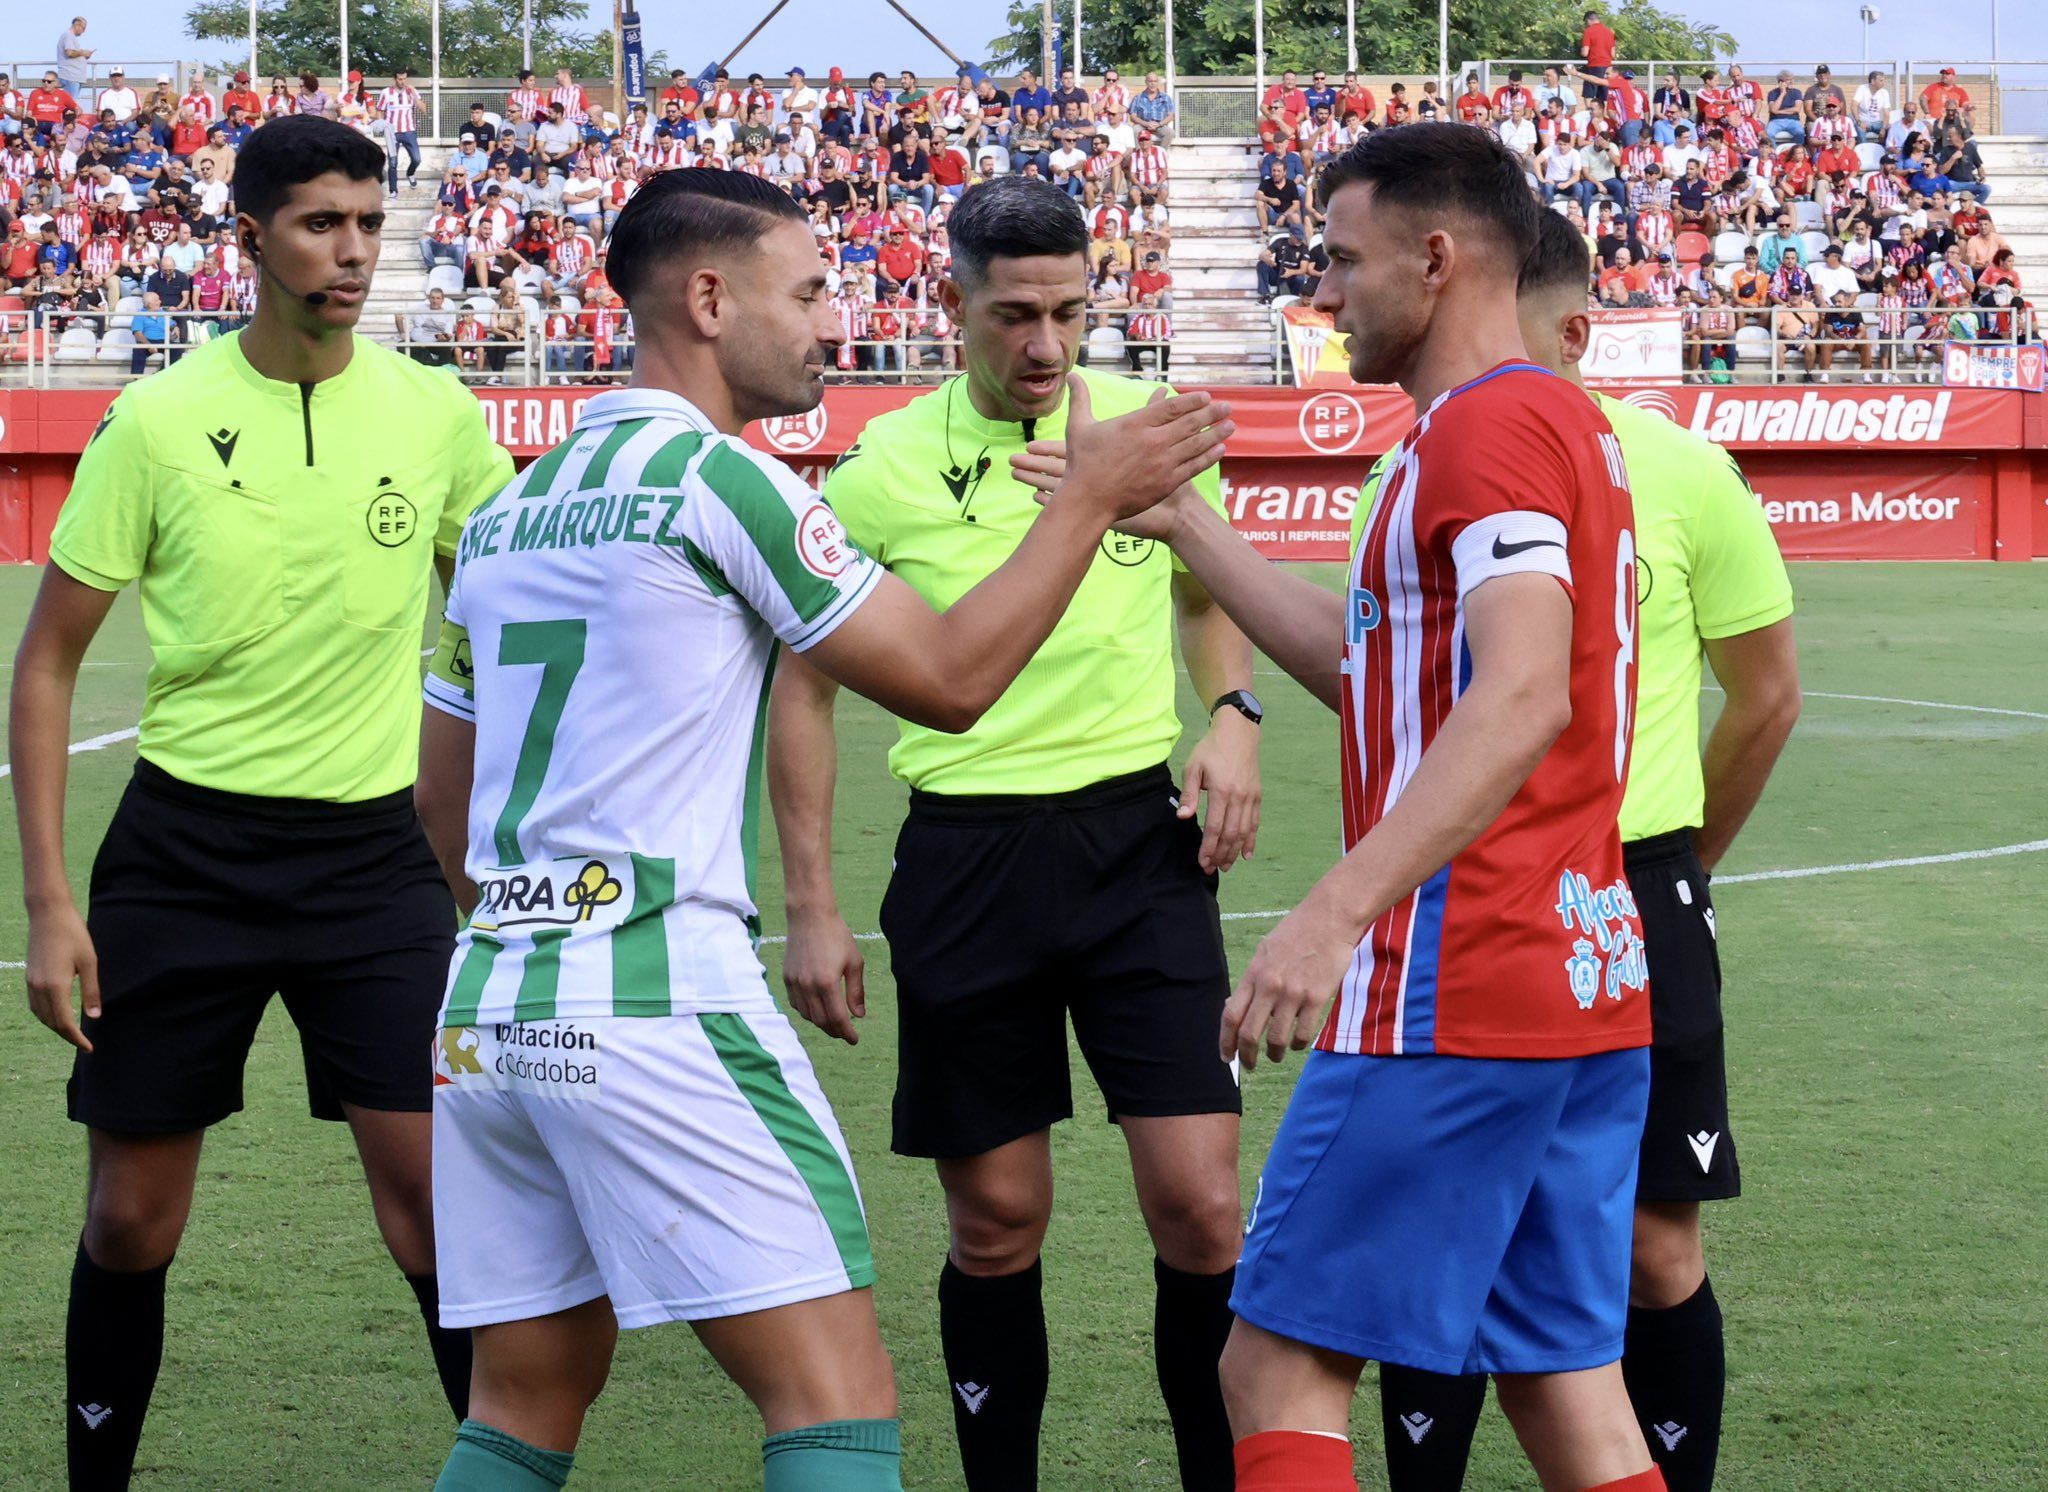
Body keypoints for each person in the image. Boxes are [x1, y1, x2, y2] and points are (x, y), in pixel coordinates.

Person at [412, 165, 1229, 1492]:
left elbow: (436, 799)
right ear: (708, 296)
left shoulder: (507, 513)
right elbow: (952, 684)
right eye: (804, 295)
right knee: (834, 1403)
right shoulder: (726, 483)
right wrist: (1086, 498)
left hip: (490, 1008)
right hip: (656, 994)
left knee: (518, 1409)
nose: (827, 326)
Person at [1013, 122, 1664, 1492]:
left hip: (1456, 983)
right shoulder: (1548, 422)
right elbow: (1384, 674)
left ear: (1436, 259)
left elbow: (1523, 693)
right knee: (1566, 1387)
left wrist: (1329, 914)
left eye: (1343, 261)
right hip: (1577, 976)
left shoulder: (1485, 428)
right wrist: (1188, 524)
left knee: (1274, 1367)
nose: (1324, 294)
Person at [11, 114, 511, 1492]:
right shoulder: (160, 421)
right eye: (319, 224)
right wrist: (54, 904)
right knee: (129, 1221)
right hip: (184, 857)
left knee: (437, 1215)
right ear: (248, 238)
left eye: (367, 223)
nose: (351, 252)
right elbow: (47, 662)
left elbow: (517, 616)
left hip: (371, 864)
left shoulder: (436, 415)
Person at [770, 174, 1255, 1492]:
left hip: (1137, 848)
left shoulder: (1143, 434)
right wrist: (812, 904)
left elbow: (1205, 589)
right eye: (1016, 315)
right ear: (953, 305)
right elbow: (800, 685)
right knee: (996, 1224)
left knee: (1204, 1210)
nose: (1046, 346)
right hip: (965, 857)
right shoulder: (879, 474)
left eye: (1071, 312)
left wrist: (1235, 713)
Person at [1370, 210, 1801, 1492]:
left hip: (1631, 889)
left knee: (1651, 1251)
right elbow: (1390, 687)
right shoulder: (1416, 462)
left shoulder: (1673, 469)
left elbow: (1765, 692)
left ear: (1568, 332)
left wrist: (1677, 866)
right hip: (1465, 894)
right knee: (1436, 1235)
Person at [379, 68, 423, 195]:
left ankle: (410, 173)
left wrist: (414, 94)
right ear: (394, 79)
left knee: (417, 159)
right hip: (391, 132)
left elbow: (424, 109)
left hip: (409, 131)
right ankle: (393, 190)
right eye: (400, 79)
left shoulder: (411, 92)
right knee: (393, 162)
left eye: (404, 79)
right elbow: (380, 110)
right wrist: (383, 127)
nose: (402, 82)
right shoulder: (386, 92)